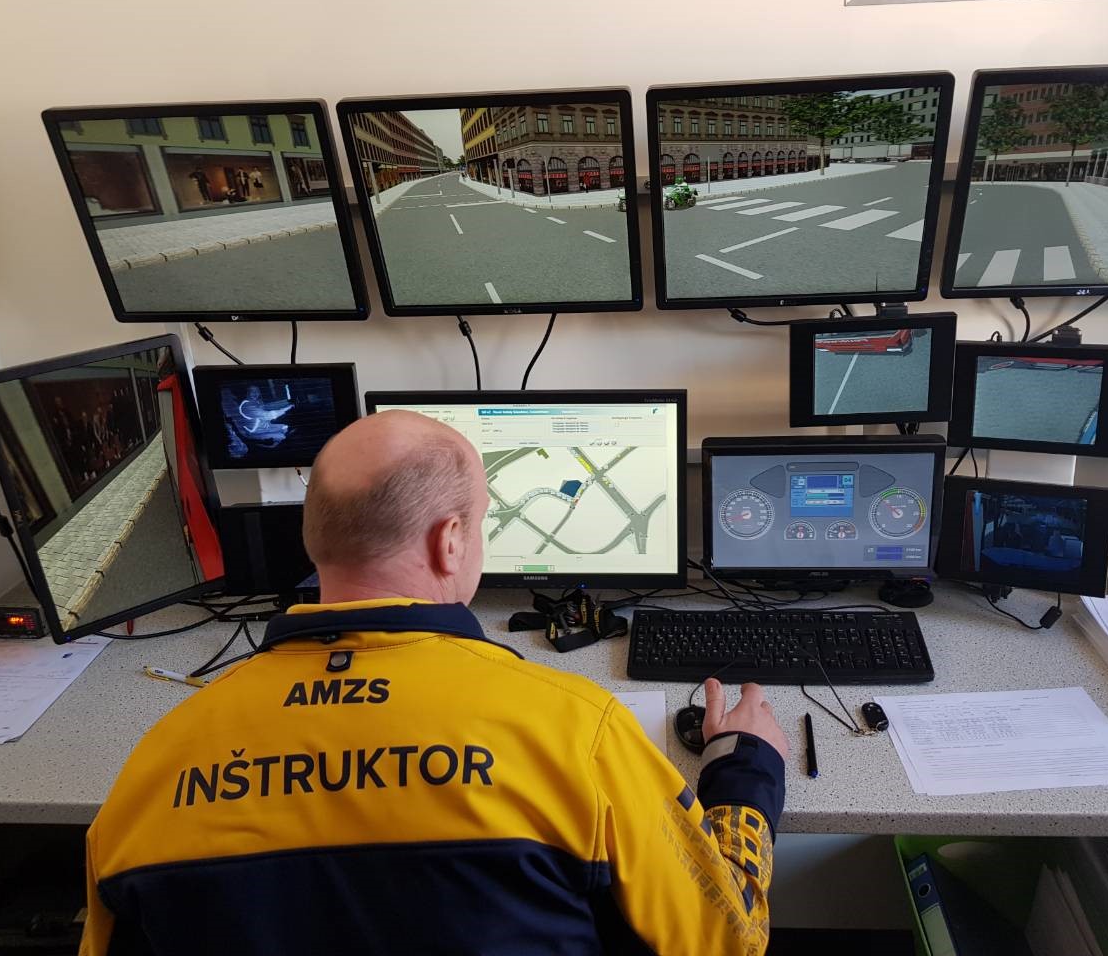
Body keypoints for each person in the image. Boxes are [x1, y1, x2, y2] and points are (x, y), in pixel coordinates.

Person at [79, 410, 788, 956]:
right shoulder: (580, 733)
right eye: (482, 522)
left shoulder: (153, 765)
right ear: (450, 541)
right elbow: (728, 939)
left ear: (314, 537)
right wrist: (744, 769)